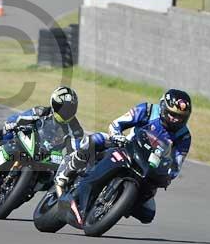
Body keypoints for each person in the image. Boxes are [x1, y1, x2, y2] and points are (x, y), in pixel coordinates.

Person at [54, 89, 192, 224]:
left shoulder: (183, 136)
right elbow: (116, 124)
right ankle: (65, 173)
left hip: (149, 168)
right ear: (163, 108)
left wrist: (167, 175)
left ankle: (117, 204)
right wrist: (118, 136)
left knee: (148, 214)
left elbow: (176, 165)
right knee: (95, 140)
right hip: (126, 146)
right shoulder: (147, 110)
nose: (176, 120)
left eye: (181, 117)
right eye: (172, 114)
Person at [0, 86, 84, 172]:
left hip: (51, 157)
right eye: (63, 108)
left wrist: (75, 160)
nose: (66, 112)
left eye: (70, 109)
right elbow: (18, 118)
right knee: (4, 133)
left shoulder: (76, 130)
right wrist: (11, 124)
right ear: (54, 105)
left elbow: (76, 151)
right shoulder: (41, 111)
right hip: (33, 143)